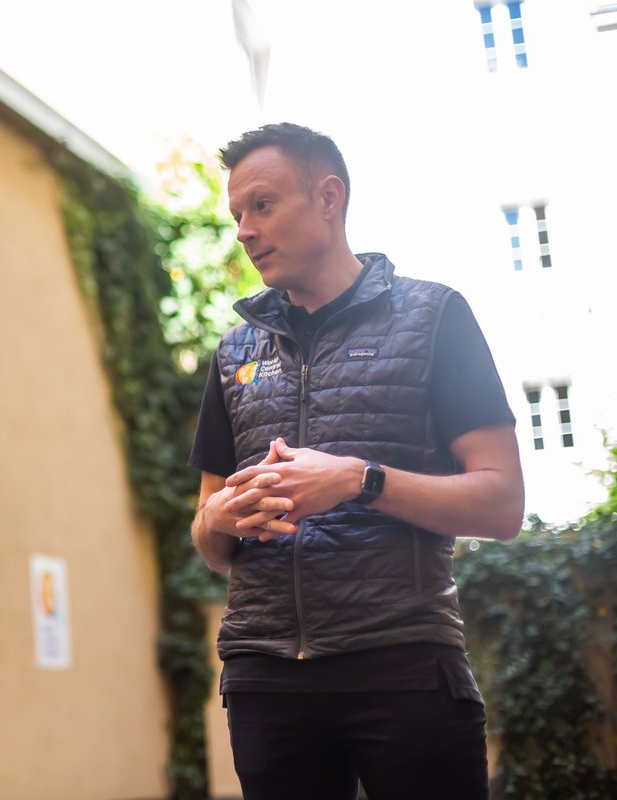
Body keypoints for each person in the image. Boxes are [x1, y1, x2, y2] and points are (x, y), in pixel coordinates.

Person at [189, 123, 523, 800]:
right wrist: (219, 518)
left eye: (261, 205)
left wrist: (356, 480)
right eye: (236, 216)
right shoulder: (232, 355)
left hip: (404, 665)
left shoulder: (434, 317)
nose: (245, 231)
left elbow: (503, 503)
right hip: (265, 676)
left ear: (329, 198)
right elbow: (211, 542)